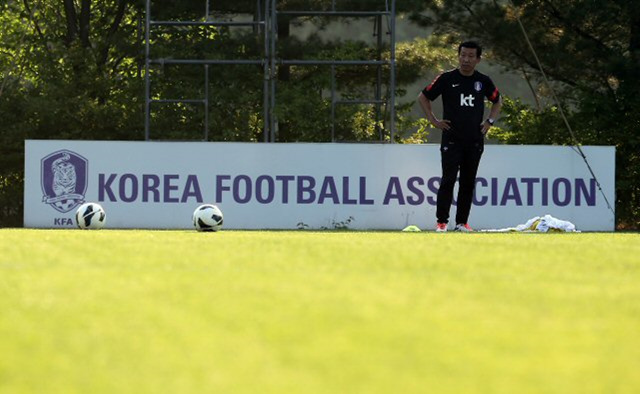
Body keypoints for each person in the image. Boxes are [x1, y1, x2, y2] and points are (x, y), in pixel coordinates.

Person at [418, 41, 502, 232]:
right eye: (463, 55)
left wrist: (489, 122)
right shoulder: (446, 78)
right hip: (451, 138)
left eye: (471, 56)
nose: (466, 59)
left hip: (474, 140)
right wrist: (433, 120)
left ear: (478, 59)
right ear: (458, 56)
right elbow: (423, 97)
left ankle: (462, 223)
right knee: (448, 180)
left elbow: (497, 101)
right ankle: (442, 222)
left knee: (467, 182)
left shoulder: (483, 81)